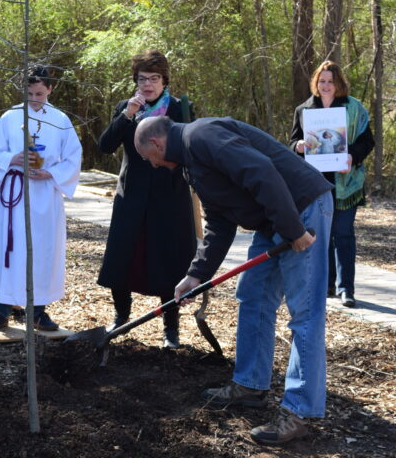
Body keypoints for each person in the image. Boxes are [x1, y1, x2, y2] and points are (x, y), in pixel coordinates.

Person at [134, 115, 333, 445]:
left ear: (156, 144)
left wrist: (295, 230)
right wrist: (195, 275)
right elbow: (219, 224)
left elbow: (263, 173)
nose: (152, 165)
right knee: (253, 295)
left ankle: (300, 412)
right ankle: (250, 384)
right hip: (274, 219)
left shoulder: (203, 136)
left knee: (305, 314)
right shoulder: (189, 164)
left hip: (301, 207)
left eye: (148, 158)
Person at [96, 50, 197, 348]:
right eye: (143, 79)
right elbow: (105, 146)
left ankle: (171, 328)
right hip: (132, 196)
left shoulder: (180, 109)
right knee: (123, 255)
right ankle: (121, 317)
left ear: (164, 80)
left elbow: (192, 150)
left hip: (170, 197)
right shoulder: (126, 108)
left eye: (154, 79)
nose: (148, 85)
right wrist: (127, 115)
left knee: (169, 260)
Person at [0, 67, 82, 332]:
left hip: (45, 195)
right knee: (9, 249)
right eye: (29, 94)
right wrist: (11, 159)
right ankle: (1, 310)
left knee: (42, 251)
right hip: (13, 195)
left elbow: (73, 158)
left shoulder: (60, 119)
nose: (34, 99)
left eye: (39, 93)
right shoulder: (11, 116)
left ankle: (38, 311)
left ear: (50, 89)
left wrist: (50, 171)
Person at [290, 61, 374, 308]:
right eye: (322, 81)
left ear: (339, 84)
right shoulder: (304, 109)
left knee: (343, 234)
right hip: (315, 183)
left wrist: (352, 156)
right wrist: (299, 146)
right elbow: (293, 141)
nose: (326, 86)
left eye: (330, 81)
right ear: (316, 83)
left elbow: (367, 141)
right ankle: (327, 284)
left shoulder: (354, 108)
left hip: (346, 183)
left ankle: (346, 289)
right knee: (321, 236)